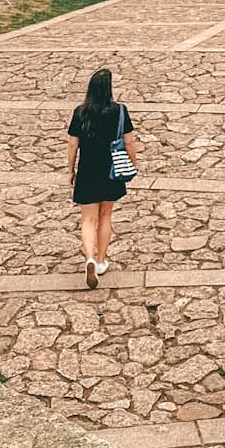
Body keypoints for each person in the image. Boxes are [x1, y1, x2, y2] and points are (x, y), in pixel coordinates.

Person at [67, 68, 139, 289]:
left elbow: (73, 145)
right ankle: (100, 261)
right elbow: (129, 141)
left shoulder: (80, 112)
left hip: (87, 171)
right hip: (111, 171)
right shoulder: (119, 111)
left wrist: (70, 170)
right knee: (106, 216)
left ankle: (89, 257)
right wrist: (133, 163)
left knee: (88, 219)